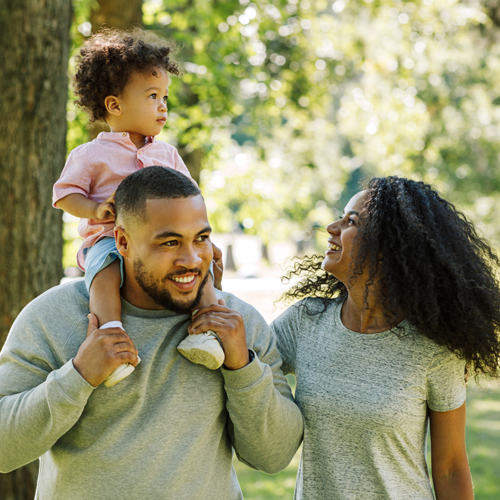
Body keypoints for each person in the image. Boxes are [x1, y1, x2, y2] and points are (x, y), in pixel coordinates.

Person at [0, 167, 303, 500]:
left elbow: (274, 456)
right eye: (170, 242)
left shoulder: (236, 323)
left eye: (201, 238)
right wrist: (78, 376)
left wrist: (242, 367)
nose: (191, 259)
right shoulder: (53, 316)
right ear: (123, 242)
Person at [271, 176, 500, 499]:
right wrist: (213, 294)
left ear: (386, 246)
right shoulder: (305, 322)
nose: (332, 228)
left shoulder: (435, 351)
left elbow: (451, 467)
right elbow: (243, 358)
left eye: (351, 221)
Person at [53, 28, 224, 376]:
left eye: (164, 96)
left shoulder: (166, 153)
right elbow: (65, 195)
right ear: (115, 105)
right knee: (103, 273)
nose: (162, 106)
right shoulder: (91, 154)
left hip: (167, 240)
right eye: (152, 96)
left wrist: (200, 238)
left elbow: (192, 196)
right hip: (108, 239)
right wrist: (95, 210)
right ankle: (110, 334)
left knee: (198, 264)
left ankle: (207, 328)